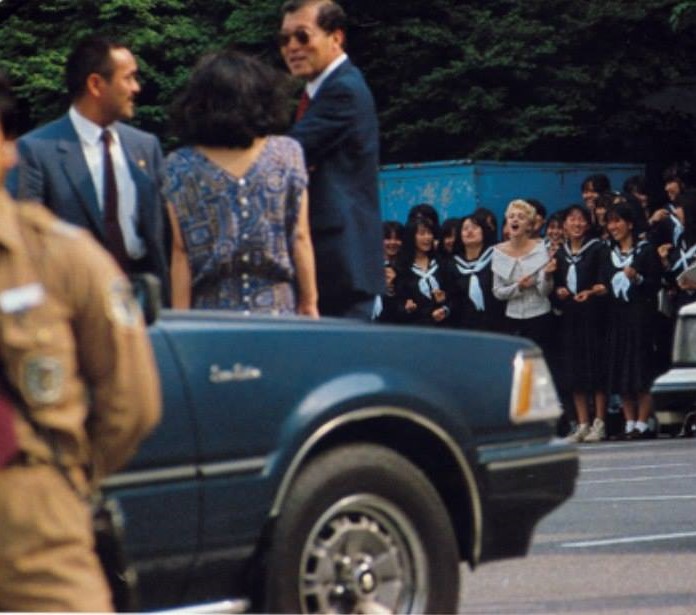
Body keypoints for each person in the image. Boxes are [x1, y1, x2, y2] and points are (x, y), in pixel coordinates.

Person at [0, 71, 161, 611]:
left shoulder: (58, 258)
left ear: (8, 148)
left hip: (29, 525)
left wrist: (62, 478)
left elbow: (132, 401)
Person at [5, 36, 170, 303]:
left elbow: (163, 234)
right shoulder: (35, 151)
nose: (136, 87)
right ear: (95, 84)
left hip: (143, 299)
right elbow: (25, 241)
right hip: (73, 303)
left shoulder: (145, 147)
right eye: (128, 78)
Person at [163, 50, 318, 317]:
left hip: (209, 315)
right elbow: (300, 237)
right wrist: (309, 301)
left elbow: (181, 253)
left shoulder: (179, 166)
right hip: (276, 311)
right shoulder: (287, 154)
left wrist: (180, 318)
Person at [279, 0, 383, 319]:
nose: (292, 47)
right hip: (335, 261)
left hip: (339, 261)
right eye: (284, 39)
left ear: (336, 37)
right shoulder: (322, 92)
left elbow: (287, 154)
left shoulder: (343, 90)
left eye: (302, 36)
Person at [601, 203, 661, 439]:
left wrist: (637, 278)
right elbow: (604, 282)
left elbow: (655, 284)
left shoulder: (646, 251)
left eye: (617, 221)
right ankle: (629, 422)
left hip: (641, 318)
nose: (613, 226)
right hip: (617, 318)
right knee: (622, 369)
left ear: (630, 224)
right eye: (610, 222)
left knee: (641, 369)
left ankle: (643, 423)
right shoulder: (608, 253)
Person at [553, 205, 608, 443]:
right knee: (574, 370)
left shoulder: (598, 249)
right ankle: (582, 423)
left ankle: (600, 422)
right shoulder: (559, 253)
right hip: (570, 317)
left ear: (587, 224)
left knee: (596, 367)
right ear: (564, 224)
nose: (576, 224)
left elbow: (604, 281)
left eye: (581, 220)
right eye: (571, 220)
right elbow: (555, 286)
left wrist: (591, 292)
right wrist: (559, 291)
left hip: (593, 316)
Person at [492, 199, 556, 350]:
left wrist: (547, 275)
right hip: (512, 317)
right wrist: (518, 287)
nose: (515, 220)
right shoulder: (498, 252)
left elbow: (545, 291)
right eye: (511, 216)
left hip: (540, 316)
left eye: (521, 217)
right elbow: (497, 292)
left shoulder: (541, 249)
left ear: (529, 225)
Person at [443, 212, 504, 331]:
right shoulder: (452, 265)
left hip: (498, 325)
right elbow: (454, 299)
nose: (470, 231)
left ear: (484, 231)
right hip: (466, 327)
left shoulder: (497, 257)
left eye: (475, 227)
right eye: (465, 229)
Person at [392, 216, 451, 326]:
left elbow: (455, 296)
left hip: (444, 327)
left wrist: (444, 307)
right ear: (411, 237)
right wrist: (407, 308)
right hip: (415, 328)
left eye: (430, 233)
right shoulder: (401, 268)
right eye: (422, 233)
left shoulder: (442, 263)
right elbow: (395, 303)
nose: (427, 237)